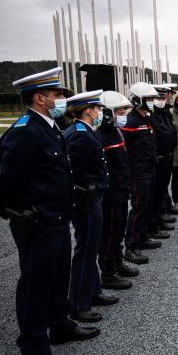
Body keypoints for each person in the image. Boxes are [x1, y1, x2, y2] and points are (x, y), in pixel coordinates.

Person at [0, 67, 99, 355]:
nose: (63, 100)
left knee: (57, 276)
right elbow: (8, 181)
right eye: (57, 96)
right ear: (40, 98)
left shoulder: (49, 126)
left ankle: (60, 324)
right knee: (35, 285)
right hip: (38, 223)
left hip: (57, 218)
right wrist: (12, 212)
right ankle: (35, 349)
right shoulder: (25, 131)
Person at [64, 90, 118, 323]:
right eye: (96, 109)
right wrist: (88, 190)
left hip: (93, 197)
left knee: (92, 246)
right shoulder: (78, 134)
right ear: (88, 110)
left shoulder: (85, 131)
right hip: (86, 200)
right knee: (85, 251)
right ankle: (78, 304)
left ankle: (93, 291)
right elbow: (73, 171)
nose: (99, 113)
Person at [97, 91, 138, 289]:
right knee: (110, 233)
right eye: (120, 111)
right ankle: (107, 272)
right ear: (108, 113)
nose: (124, 115)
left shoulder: (115, 132)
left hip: (121, 191)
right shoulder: (101, 137)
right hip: (111, 195)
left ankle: (117, 261)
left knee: (119, 230)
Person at [122, 82, 161, 265]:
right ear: (137, 100)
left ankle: (143, 237)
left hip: (149, 169)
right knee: (138, 209)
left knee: (146, 206)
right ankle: (131, 246)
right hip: (137, 173)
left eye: (152, 99)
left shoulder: (146, 119)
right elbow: (125, 150)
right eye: (148, 99)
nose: (152, 102)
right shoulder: (130, 121)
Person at [147, 83, 178, 241]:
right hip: (159, 158)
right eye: (159, 97)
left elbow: (170, 132)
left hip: (167, 156)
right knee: (155, 193)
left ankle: (159, 218)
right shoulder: (153, 114)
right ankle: (154, 223)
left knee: (160, 191)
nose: (164, 99)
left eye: (164, 96)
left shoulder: (164, 112)